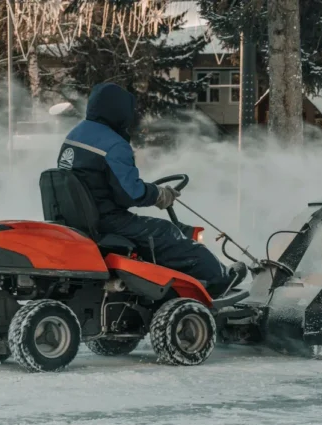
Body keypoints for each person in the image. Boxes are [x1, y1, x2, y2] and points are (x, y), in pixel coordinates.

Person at [56, 82, 246, 298]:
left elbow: (99, 182)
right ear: (118, 111)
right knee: (167, 232)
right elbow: (132, 194)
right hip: (106, 221)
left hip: (77, 219)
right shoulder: (113, 144)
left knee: (155, 232)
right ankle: (218, 279)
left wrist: (151, 191)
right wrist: (158, 194)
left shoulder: (74, 136)